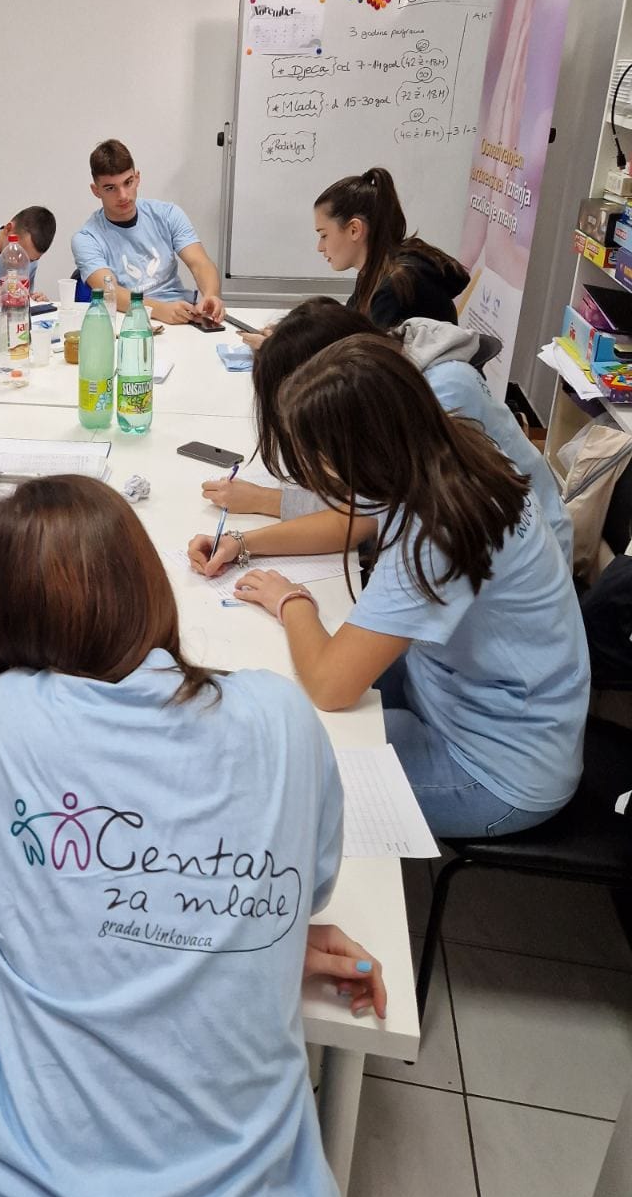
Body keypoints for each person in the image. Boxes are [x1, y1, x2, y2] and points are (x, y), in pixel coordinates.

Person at [0, 475, 385, 1197]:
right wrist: (240, 922)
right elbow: (312, 883)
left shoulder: (4, 718)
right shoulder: (282, 717)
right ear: (147, 580)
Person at [194, 337, 589, 838]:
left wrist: (292, 602)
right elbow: (355, 520)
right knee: (275, 705)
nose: (315, 474)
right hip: (471, 695)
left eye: (319, 459)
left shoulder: (438, 531)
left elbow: (332, 686)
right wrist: (244, 543)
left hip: (495, 770)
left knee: (269, 776)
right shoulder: (448, 449)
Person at [196, 298, 572, 564]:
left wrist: (263, 509)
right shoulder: (396, 370)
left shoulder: (439, 394)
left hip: (513, 566)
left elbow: (364, 513)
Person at [72, 138, 225, 327]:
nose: (123, 195)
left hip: (180, 315)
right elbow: (109, 291)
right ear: (96, 191)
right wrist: (159, 310)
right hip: (127, 321)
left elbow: (200, 263)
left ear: (137, 178)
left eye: (128, 182)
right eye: (110, 188)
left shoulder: (168, 214)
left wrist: (211, 295)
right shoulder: (86, 238)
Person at [313, 167, 467, 326]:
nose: (320, 247)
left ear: (354, 229)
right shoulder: (372, 273)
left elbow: (368, 340)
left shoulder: (393, 288)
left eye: (324, 235)